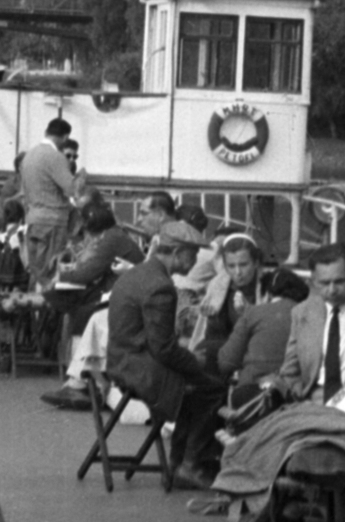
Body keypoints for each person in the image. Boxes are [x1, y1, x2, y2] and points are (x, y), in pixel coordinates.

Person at [106, 220, 226, 489]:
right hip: (138, 369)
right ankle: (191, 464)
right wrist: (195, 362)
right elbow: (164, 349)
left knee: (197, 385)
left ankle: (179, 462)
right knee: (212, 389)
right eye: (192, 253)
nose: (195, 259)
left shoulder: (138, 274)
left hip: (123, 361)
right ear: (178, 253)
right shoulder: (161, 286)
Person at [41, 201, 143, 409]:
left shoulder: (111, 239)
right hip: (121, 291)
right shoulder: (114, 235)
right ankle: (79, 380)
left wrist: (62, 274)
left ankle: (84, 383)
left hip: (126, 297)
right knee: (80, 310)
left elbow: (88, 272)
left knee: (83, 313)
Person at [269, 241, 345, 403]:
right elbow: (290, 371)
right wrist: (302, 397)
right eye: (324, 283)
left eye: (339, 281)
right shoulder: (302, 313)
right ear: (313, 281)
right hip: (314, 400)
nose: (332, 290)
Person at [217, 267, 309, 404]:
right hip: (296, 395)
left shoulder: (254, 313)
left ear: (267, 294)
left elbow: (226, 362)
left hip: (252, 394)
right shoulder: (310, 316)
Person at [19, 118, 85, 278]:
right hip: (52, 223)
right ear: (65, 137)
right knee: (50, 273)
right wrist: (82, 177)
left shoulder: (29, 156)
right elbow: (72, 189)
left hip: (33, 220)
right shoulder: (55, 157)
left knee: (36, 273)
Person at [200, 233, 266, 369]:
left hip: (256, 349)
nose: (237, 272)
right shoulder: (218, 286)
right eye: (231, 266)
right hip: (226, 347)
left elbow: (269, 334)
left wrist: (248, 313)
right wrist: (212, 317)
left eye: (243, 264)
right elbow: (212, 334)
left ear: (256, 263)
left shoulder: (267, 287)